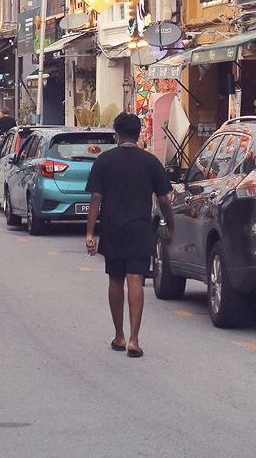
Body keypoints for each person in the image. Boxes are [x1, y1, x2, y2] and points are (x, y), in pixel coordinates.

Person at [85, 112, 175, 359]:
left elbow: (95, 198)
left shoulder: (104, 161)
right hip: (139, 228)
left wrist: (90, 232)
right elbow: (164, 200)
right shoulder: (150, 162)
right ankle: (135, 340)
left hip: (113, 228)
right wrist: (171, 225)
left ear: (117, 134)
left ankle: (119, 336)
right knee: (136, 280)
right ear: (138, 136)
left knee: (115, 280)